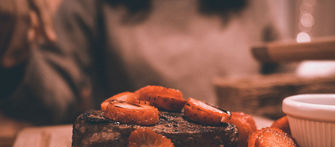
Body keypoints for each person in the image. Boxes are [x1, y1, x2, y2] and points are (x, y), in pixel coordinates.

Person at [1, 0, 282, 124]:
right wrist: (10, 54)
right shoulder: (94, 4)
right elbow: (50, 98)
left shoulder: (253, 5)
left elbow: (287, 83)